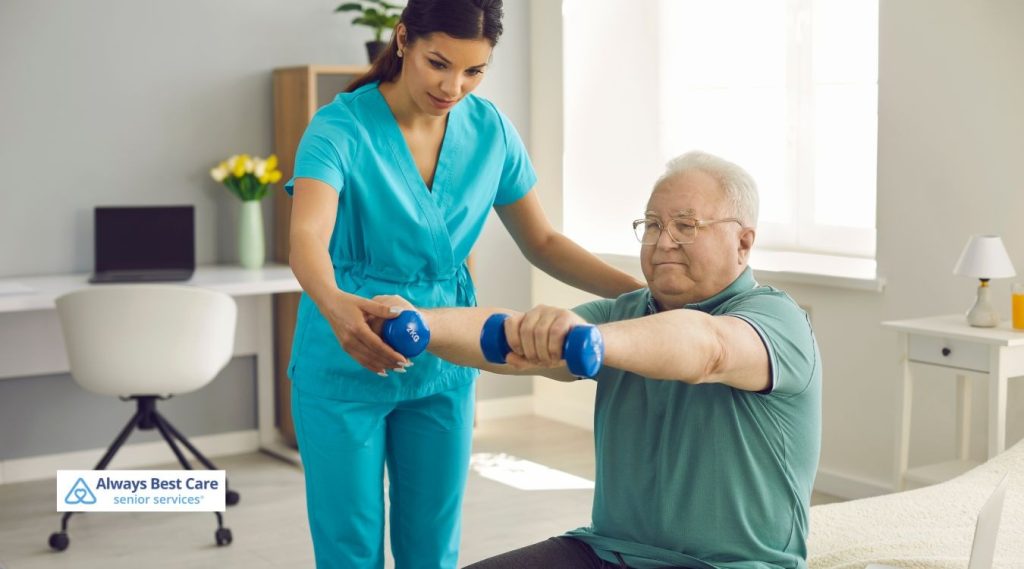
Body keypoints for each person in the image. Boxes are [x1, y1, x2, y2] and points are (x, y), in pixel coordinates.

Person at [285, 0, 644, 567]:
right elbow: (307, 237)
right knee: (348, 546)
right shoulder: (341, 127)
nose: (454, 86)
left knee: (432, 543)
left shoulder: (490, 130)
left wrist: (640, 298)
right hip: (346, 353)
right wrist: (334, 306)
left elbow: (543, 242)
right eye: (439, 63)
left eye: (474, 71)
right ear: (403, 40)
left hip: (447, 353)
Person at [375, 151, 822, 569]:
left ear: (743, 243)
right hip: (607, 552)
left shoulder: (776, 319)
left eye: (686, 226)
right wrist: (422, 323)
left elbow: (707, 349)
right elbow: (512, 342)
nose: (663, 241)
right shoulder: (625, 312)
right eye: (651, 225)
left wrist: (591, 341)